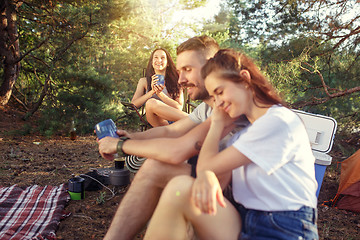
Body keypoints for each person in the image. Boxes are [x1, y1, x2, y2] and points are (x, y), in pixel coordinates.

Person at [144, 49, 319, 240]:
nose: (218, 104)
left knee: (182, 186)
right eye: (213, 96)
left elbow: (207, 166)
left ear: (244, 79)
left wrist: (217, 123)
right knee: (180, 189)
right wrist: (209, 175)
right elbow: (209, 170)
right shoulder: (244, 133)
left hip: (284, 228)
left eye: (220, 92)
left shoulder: (277, 121)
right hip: (249, 220)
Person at [98, 36, 238, 240]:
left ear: (211, 66)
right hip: (218, 186)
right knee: (155, 166)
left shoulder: (229, 105)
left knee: (164, 172)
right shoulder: (207, 108)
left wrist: (121, 145)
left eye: (188, 70)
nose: (180, 79)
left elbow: (178, 150)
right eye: (180, 71)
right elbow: (170, 131)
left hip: (234, 198)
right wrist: (133, 136)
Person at [131, 48, 188, 127]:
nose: (159, 60)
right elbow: (133, 105)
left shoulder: (176, 81)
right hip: (155, 120)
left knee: (151, 102)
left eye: (163, 58)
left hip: (173, 120)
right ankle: (193, 120)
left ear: (167, 63)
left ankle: (169, 134)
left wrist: (160, 94)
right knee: (150, 103)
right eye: (156, 57)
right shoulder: (144, 81)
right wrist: (152, 92)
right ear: (152, 62)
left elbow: (179, 108)